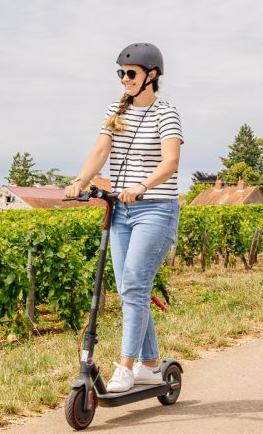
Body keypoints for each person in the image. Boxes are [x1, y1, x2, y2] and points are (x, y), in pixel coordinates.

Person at [65, 43, 183, 393]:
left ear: (152, 75)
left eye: (131, 73)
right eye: (121, 73)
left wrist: (141, 185)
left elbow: (170, 162)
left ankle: (127, 365)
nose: (125, 79)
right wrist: (81, 181)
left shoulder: (167, 113)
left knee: (133, 284)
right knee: (130, 288)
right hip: (121, 210)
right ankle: (150, 365)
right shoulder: (115, 110)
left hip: (156, 209)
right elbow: (100, 150)